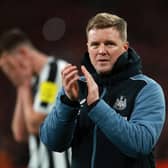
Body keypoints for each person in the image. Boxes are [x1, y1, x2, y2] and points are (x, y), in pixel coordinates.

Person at [40, 12, 166, 168]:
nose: (101, 51)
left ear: (125, 47)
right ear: (88, 47)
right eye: (95, 44)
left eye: (109, 44)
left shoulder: (147, 89)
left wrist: (96, 106)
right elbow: (53, 143)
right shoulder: (76, 87)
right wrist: (68, 103)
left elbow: (141, 144)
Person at [0, 28, 71, 168]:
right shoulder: (32, 81)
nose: (10, 74)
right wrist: (21, 86)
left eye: (10, 67)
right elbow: (20, 133)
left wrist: (24, 86)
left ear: (23, 53)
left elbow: (34, 125)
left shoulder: (55, 72)